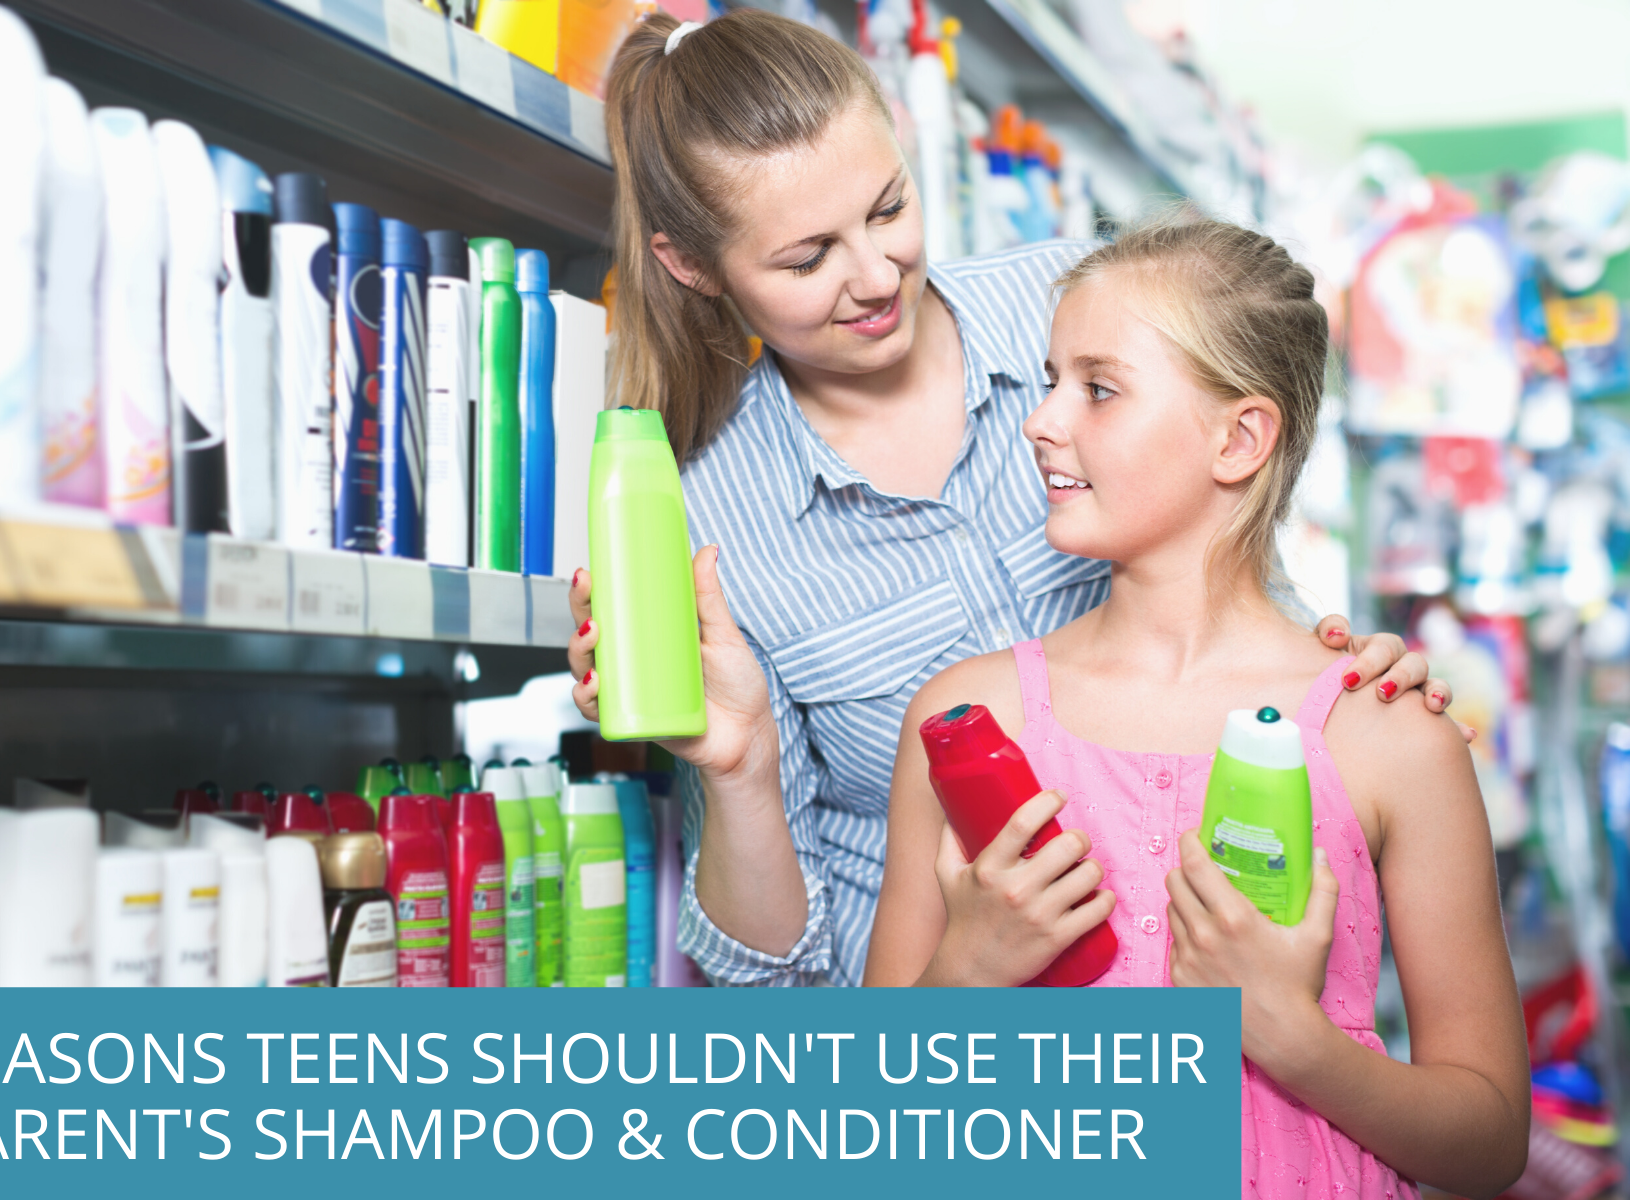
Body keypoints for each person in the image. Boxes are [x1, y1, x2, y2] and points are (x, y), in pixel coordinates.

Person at [567, 8, 1454, 988]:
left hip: (1223, 1000)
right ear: (691, 265)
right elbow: (780, 978)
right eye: (807, 257)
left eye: (889, 208)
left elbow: (1229, 550)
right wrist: (736, 770)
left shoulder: (1073, 306)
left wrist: (1331, 672)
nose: (874, 276)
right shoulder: (709, 516)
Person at [861, 219, 1528, 1198]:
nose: (1041, 420)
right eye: (1050, 380)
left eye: (1098, 387)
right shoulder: (968, 720)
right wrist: (964, 970)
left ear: (1238, 438)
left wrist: (1295, 1040)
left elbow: (1491, 1143)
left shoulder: (1387, 731)